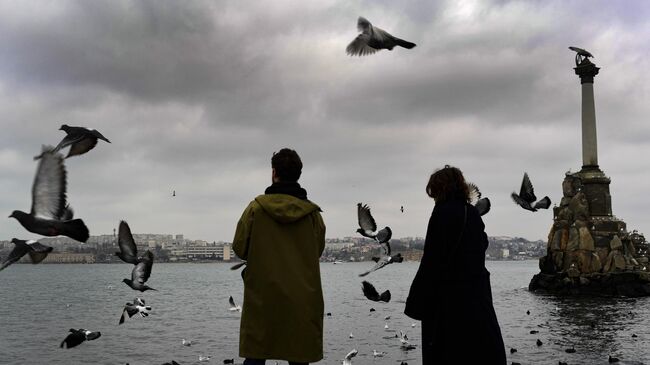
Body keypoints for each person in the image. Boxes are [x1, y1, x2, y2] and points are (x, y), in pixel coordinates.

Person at [404, 165, 506, 364]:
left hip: (448, 302)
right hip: (477, 297)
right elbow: (482, 245)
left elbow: (432, 260)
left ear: (439, 190)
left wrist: (416, 303)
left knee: (447, 352)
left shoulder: (441, 213)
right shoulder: (472, 213)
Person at [232, 148, 326, 365]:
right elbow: (317, 251)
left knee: (256, 356)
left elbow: (239, 247)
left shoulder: (256, 209)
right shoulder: (312, 215)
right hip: (303, 298)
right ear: (298, 174)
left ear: (274, 173)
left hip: (263, 298)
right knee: (299, 357)